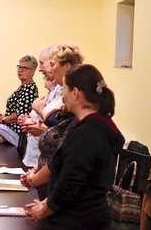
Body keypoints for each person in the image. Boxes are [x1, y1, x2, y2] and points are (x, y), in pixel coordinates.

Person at [25, 64, 125, 229]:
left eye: (64, 89)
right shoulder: (95, 125)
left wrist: (42, 212)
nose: (62, 96)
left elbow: (69, 184)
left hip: (79, 221)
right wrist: (44, 203)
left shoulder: (88, 133)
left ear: (75, 93)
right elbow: (61, 165)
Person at [20, 44, 84, 200]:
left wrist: (35, 179)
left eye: (52, 64)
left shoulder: (75, 99)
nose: (48, 69)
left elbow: (63, 147)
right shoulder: (62, 90)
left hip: (57, 181)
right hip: (45, 171)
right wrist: (36, 169)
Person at [0, 55, 39, 144]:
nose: (20, 70)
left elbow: (21, 114)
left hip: (18, 133)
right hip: (13, 131)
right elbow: (16, 110)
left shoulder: (30, 88)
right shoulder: (22, 87)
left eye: (24, 68)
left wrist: (4, 119)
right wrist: (5, 115)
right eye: (19, 67)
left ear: (32, 72)